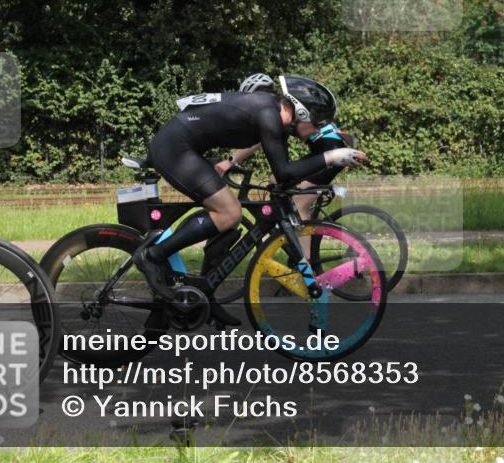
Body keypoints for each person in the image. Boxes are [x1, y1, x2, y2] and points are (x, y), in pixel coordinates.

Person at [135, 75, 366, 325]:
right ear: (301, 113)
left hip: (184, 146)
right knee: (229, 213)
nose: (320, 129)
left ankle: (207, 294)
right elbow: (284, 172)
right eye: (318, 122)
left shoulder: (272, 114)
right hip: (175, 148)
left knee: (227, 220)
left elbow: (283, 175)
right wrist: (332, 156)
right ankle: (153, 256)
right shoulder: (268, 115)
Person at [222, 73, 355, 228]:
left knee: (298, 208)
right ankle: (296, 222)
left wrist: (232, 161)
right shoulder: (283, 106)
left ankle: (305, 250)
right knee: (275, 180)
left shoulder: (279, 111)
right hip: (327, 147)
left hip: (330, 150)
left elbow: (257, 142)